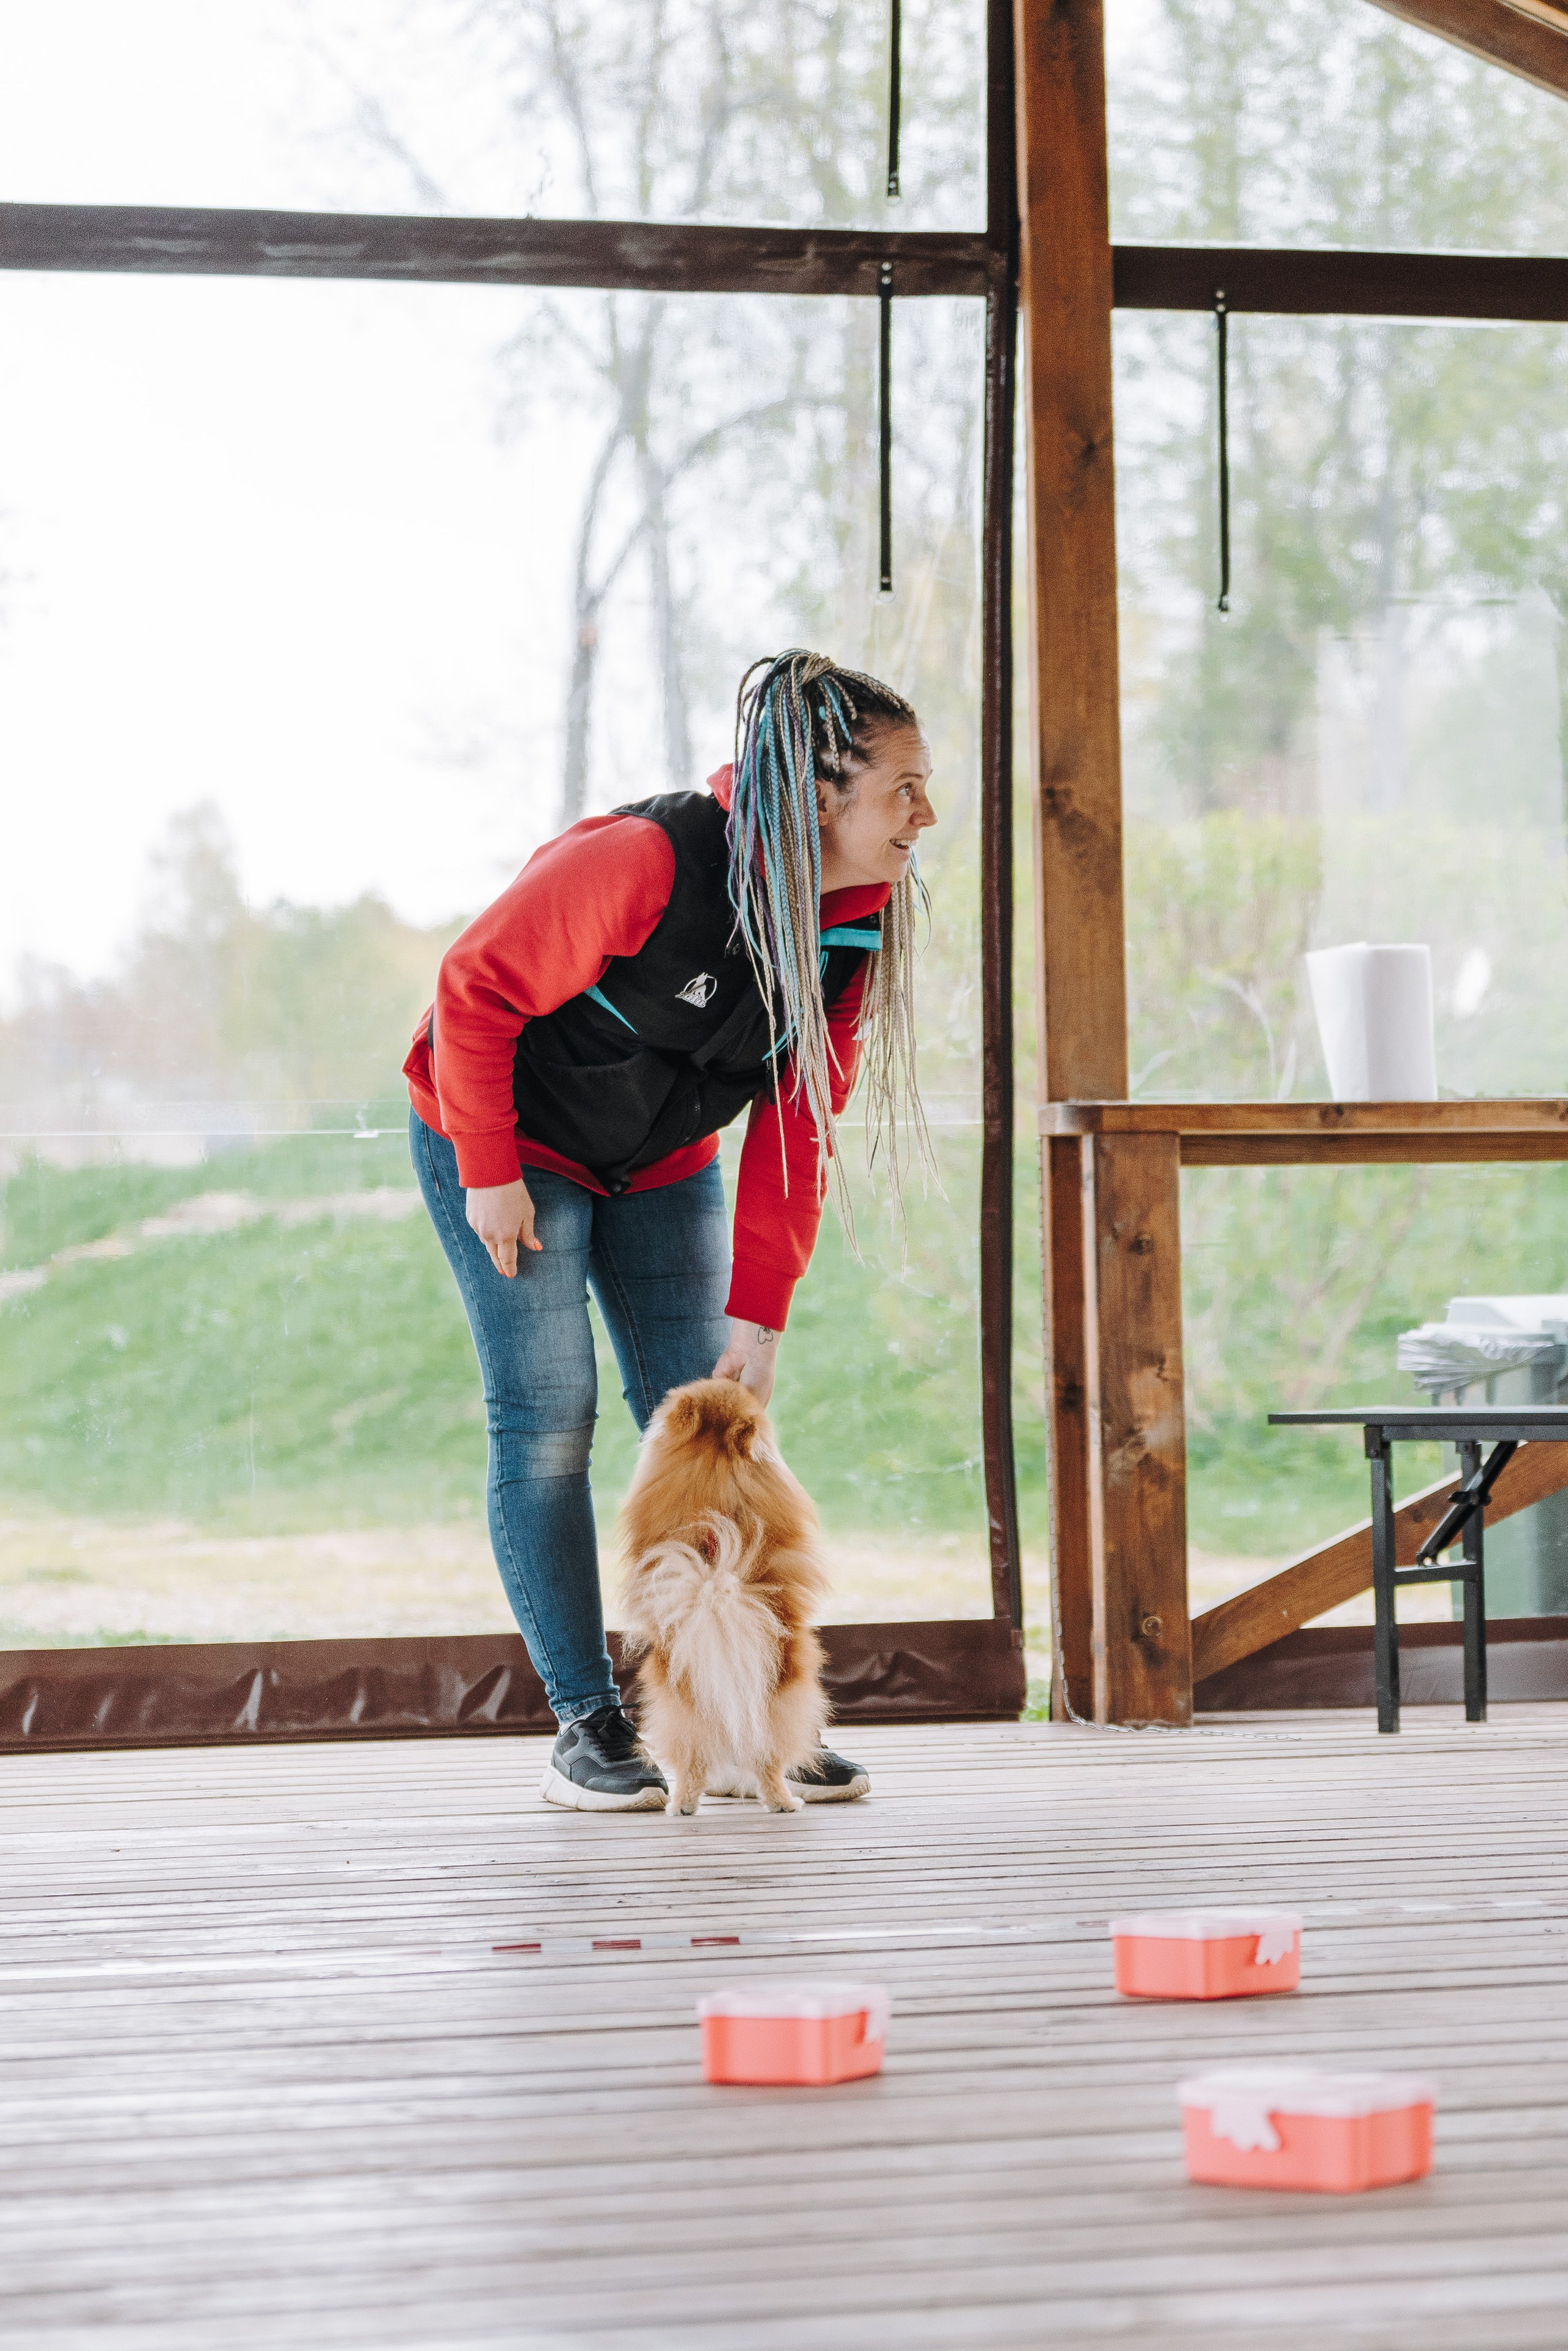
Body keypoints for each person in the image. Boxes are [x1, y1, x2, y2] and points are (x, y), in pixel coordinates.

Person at [405, 649, 936, 1809]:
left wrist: (763, 1308)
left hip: (661, 1159)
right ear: (821, 794)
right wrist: (486, 1168)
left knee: (711, 1427)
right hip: (506, 1135)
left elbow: (800, 1119)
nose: (924, 815)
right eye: (904, 787)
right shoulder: (645, 861)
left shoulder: (855, 917)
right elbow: (473, 989)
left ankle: (740, 1725)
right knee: (550, 1419)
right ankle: (589, 1720)